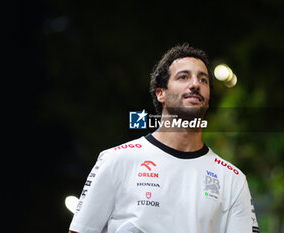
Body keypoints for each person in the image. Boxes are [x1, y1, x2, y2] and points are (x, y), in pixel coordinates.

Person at [68, 44, 259, 233]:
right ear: (161, 93)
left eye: (203, 80)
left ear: (208, 98)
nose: (195, 84)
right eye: (183, 77)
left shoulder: (233, 180)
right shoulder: (116, 160)